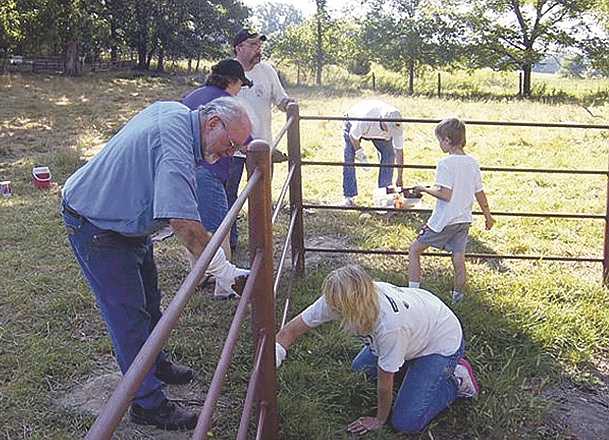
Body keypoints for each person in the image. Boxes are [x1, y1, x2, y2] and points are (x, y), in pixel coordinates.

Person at [60, 97, 251, 431]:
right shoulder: (175, 144)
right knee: (128, 316)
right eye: (231, 144)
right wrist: (226, 273)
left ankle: (155, 362)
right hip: (97, 224)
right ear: (212, 124)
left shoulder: (178, 114)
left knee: (149, 302)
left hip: (123, 218)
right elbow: (186, 225)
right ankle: (147, 403)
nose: (230, 153)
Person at [275, 264, 480, 434]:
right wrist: (272, 360)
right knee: (360, 371)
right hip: (419, 321)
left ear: (354, 304)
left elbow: (385, 381)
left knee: (405, 423)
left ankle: (456, 380)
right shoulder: (337, 298)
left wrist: (379, 419)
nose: (331, 310)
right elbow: (289, 331)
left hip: (440, 341)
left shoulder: (389, 326)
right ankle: (411, 365)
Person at [181, 59, 253, 299]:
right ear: (231, 81)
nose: (240, 90)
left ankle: (198, 277)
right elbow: (245, 141)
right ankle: (225, 286)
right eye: (240, 85)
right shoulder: (226, 104)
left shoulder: (193, 96)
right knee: (220, 230)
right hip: (208, 173)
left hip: (185, 171)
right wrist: (269, 154)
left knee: (198, 225)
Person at [408, 117, 494, 304]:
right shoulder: (472, 162)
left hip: (443, 221)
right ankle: (458, 299)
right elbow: (479, 192)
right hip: (463, 219)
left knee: (414, 250)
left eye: (440, 141)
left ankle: (412, 293)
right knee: (458, 258)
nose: (439, 144)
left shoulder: (445, 164)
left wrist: (423, 188)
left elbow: (445, 194)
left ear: (447, 140)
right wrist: (488, 216)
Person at [226, 28, 295, 251]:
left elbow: (280, 99)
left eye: (259, 45)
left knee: (262, 197)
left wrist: (290, 106)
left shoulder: (267, 71)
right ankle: (230, 241)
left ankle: (262, 243)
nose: (258, 49)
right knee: (229, 198)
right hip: (231, 150)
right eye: (253, 45)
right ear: (238, 49)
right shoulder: (227, 71)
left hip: (262, 149)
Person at [342, 99, 405, 206]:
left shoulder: (397, 126)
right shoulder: (366, 119)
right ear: (383, 121)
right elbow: (353, 136)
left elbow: (399, 151)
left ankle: (384, 195)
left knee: (389, 155)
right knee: (349, 157)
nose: (391, 132)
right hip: (353, 123)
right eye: (389, 128)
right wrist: (360, 154)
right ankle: (349, 196)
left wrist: (400, 177)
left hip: (377, 134)